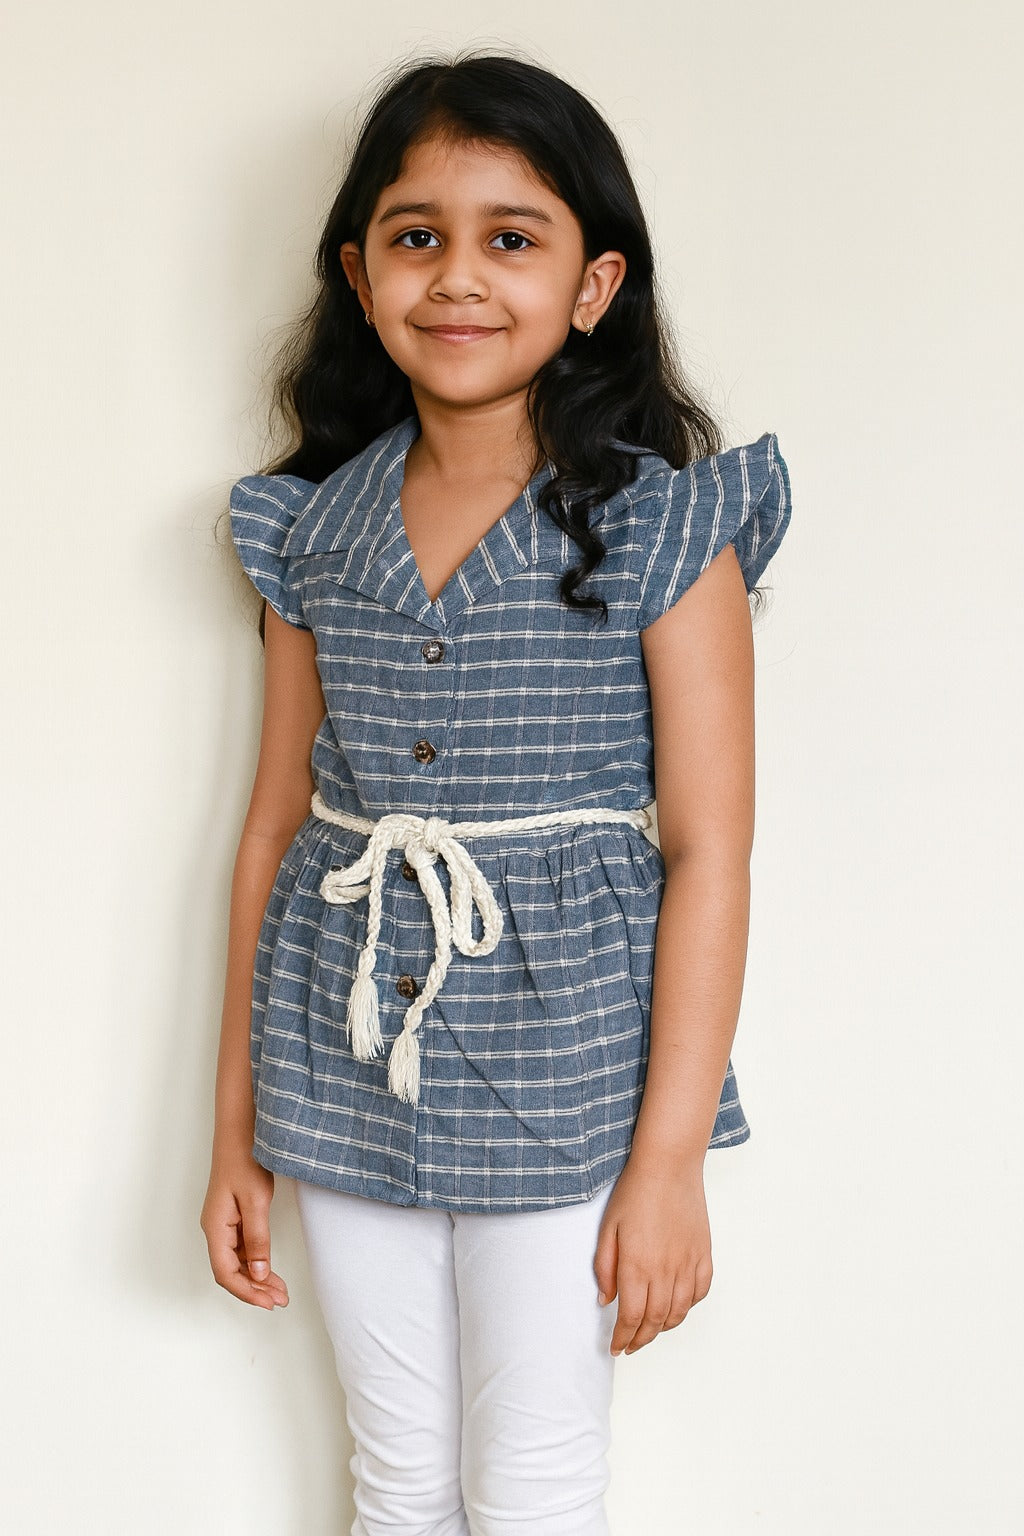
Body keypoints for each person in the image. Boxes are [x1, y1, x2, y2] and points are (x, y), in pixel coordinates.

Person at [201, 48, 792, 1536]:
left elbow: (711, 851)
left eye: (510, 238)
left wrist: (669, 1168)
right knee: (396, 1478)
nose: (458, 278)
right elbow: (275, 827)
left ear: (592, 286)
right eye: (418, 236)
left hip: (572, 1066)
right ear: (360, 272)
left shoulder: (668, 526)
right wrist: (235, 1130)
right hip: (341, 1061)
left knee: (531, 1485)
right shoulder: (312, 530)